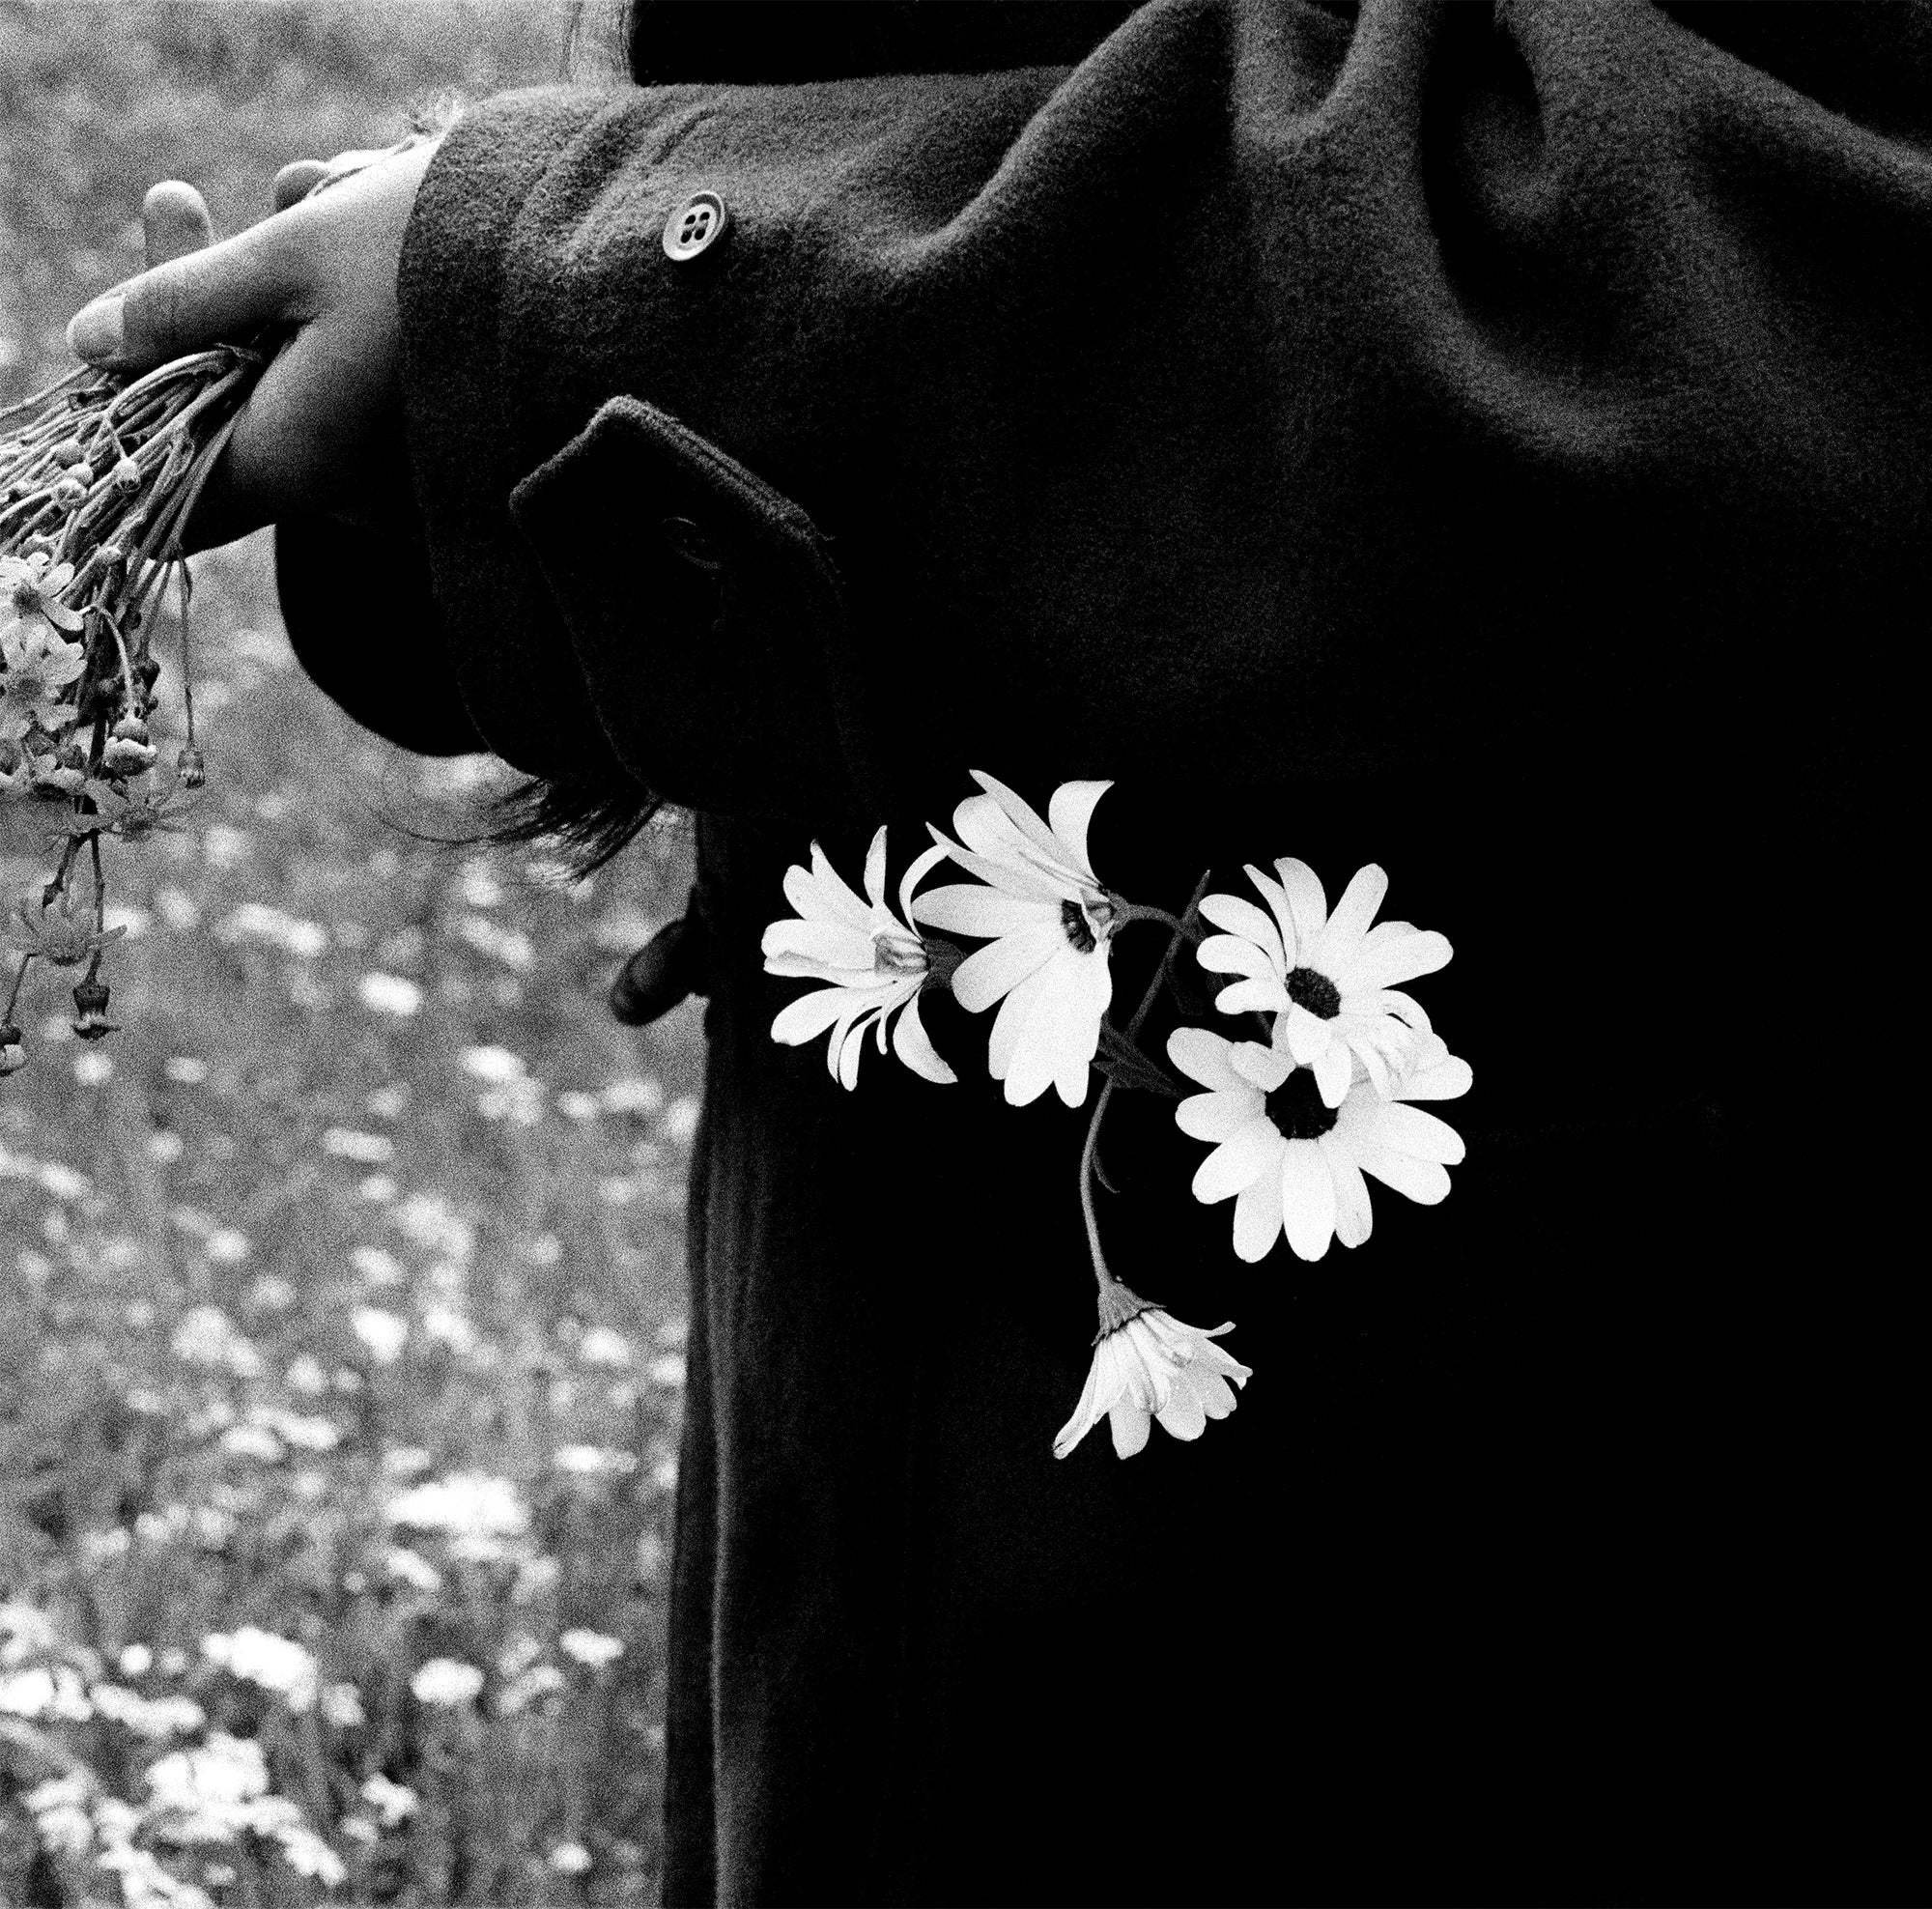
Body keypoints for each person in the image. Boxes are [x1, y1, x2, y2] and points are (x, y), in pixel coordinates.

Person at [71, 3, 1929, 1902]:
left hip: (1525, 1470)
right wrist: (476, 378)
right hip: (888, 1359)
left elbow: (1730, 227)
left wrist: (590, 288)